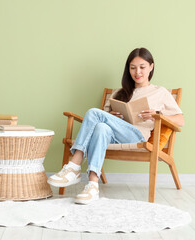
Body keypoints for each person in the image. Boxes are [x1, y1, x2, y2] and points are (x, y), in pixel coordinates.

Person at [48, 47, 184, 204]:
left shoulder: (160, 92)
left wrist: (157, 114)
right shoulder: (119, 93)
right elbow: (98, 123)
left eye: (142, 67)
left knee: (94, 112)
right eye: (132, 68)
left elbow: (180, 120)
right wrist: (111, 116)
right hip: (112, 136)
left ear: (151, 67)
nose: (137, 72)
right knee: (101, 127)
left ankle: (74, 165)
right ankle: (92, 185)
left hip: (137, 137)